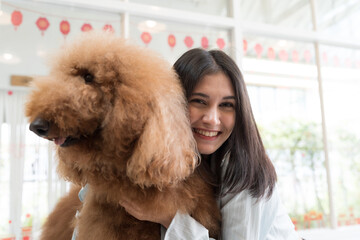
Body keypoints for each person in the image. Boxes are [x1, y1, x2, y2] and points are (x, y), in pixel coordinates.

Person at [119, 48, 301, 240]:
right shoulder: (171, 158)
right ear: (172, 102)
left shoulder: (242, 169)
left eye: (226, 105)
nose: (212, 119)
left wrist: (168, 217)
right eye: (199, 101)